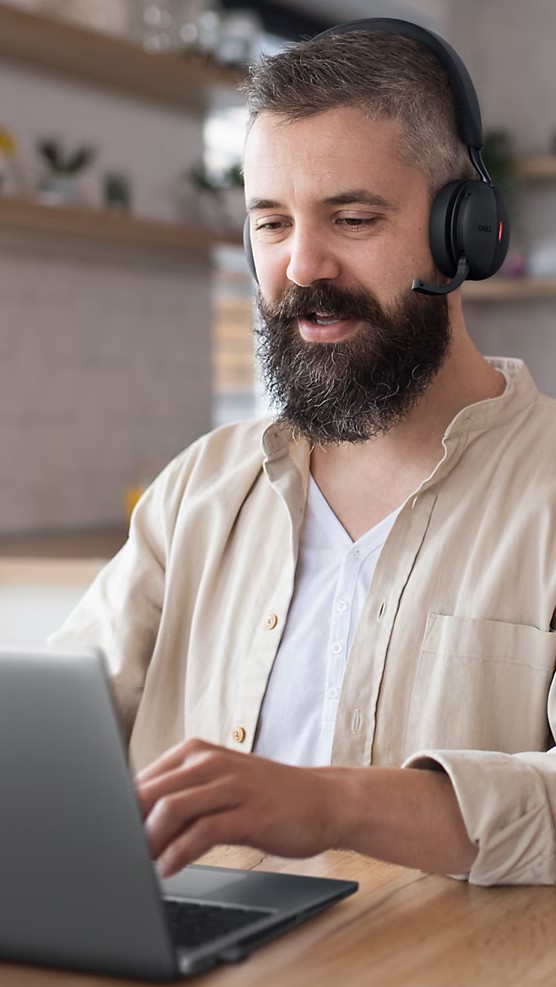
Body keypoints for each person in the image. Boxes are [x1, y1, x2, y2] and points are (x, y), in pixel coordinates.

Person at [51, 21, 556, 888]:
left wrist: (332, 804)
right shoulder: (202, 489)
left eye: (352, 218)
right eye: (271, 223)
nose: (299, 265)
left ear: (464, 233)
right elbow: (51, 726)